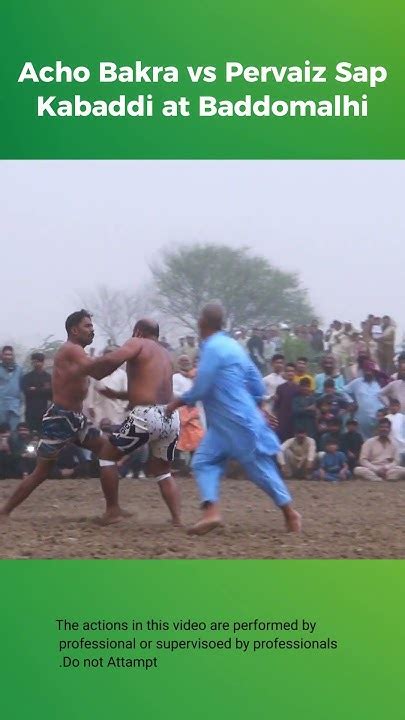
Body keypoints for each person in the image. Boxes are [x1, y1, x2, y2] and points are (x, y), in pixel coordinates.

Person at [165, 302, 301, 535]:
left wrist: (174, 404)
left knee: (258, 468)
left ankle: (290, 513)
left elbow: (202, 387)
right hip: (224, 424)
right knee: (203, 462)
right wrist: (257, 405)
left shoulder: (213, 348)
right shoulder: (234, 346)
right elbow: (257, 383)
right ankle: (211, 512)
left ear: (202, 323)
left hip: (237, 420)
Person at [0, 310, 129, 523]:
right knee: (42, 471)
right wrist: (126, 353)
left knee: (107, 452)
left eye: (91, 326)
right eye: (87, 326)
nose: (92, 329)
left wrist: (122, 366)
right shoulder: (72, 350)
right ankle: (4, 511)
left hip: (76, 418)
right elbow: (97, 371)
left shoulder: (78, 352)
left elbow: (98, 376)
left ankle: (113, 509)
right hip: (60, 418)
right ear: (74, 329)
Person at [87, 318, 182, 526]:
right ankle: (177, 518)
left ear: (138, 331)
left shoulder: (137, 342)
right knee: (163, 470)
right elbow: (146, 390)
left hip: (146, 415)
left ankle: (112, 511)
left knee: (106, 456)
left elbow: (115, 358)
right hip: (170, 416)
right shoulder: (165, 354)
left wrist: (91, 367)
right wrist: (116, 394)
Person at [344, 361, 383, 439]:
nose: (368, 372)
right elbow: (343, 390)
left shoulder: (379, 383)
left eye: (371, 370)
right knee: (362, 441)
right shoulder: (357, 382)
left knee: (376, 440)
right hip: (361, 418)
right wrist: (351, 401)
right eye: (366, 370)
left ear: (374, 372)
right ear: (363, 371)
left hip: (377, 418)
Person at [21, 352, 52, 431]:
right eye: (34, 362)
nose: (36, 364)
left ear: (42, 362)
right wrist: (42, 389)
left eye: (39, 361)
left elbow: (50, 393)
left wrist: (35, 389)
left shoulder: (48, 377)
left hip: (44, 412)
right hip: (30, 412)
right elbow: (26, 391)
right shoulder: (27, 377)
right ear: (32, 362)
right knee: (30, 434)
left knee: (43, 434)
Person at [273, 363, 299, 442]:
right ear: (285, 373)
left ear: (295, 373)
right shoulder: (280, 388)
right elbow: (276, 406)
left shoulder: (298, 388)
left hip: (295, 419)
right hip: (282, 419)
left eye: (292, 371)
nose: (290, 373)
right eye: (287, 371)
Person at [0, 346, 23, 431]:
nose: (8, 357)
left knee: (14, 431)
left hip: (14, 405)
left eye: (10, 354)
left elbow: (22, 387)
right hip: (1, 404)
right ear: (1, 356)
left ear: (13, 356)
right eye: (6, 354)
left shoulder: (19, 370)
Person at [385, 399, 405, 463]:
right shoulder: (386, 417)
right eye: (392, 406)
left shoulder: (402, 417)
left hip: (402, 446)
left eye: (395, 406)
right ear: (389, 407)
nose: (393, 407)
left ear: (399, 407)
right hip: (390, 445)